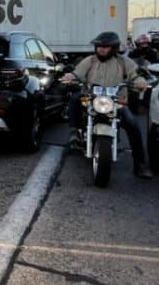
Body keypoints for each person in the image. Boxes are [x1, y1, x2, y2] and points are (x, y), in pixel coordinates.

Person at [60, 31, 154, 179]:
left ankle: (140, 165)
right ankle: (74, 133)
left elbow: (135, 75)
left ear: (114, 48)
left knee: (133, 125)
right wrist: (70, 77)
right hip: (91, 98)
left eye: (105, 47)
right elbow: (77, 74)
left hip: (117, 101)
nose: (101, 49)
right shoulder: (89, 61)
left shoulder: (124, 62)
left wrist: (140, 81)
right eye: (99, 46)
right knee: (75, 99)